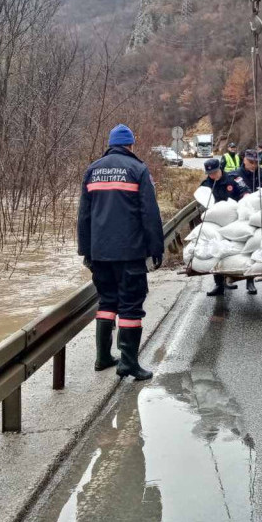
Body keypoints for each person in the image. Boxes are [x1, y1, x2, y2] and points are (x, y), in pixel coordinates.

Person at [78, 124, 165, 381]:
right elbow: (150, 213)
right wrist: (156, 248)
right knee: (130, 305)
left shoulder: (92, 170)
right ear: (131, 145)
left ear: (110, 144)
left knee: (107, 303)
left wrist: (85, 250)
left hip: (99, 253)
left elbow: (84, 216)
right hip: (129, 253)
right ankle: (128, 363)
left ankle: (102, 357)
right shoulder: (138, 169)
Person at [200, 157, 251, 296]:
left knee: (244, 247)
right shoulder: (206, 184)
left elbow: (245, 191)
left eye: (215, 172)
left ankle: (249, 280)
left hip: (235, 220)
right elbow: (201, 200)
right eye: (210, 174)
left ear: (220, 169)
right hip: (217, 223)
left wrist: (245, 199)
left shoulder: (233, 179)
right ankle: (219, 284)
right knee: (216, 249)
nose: (213, 176)